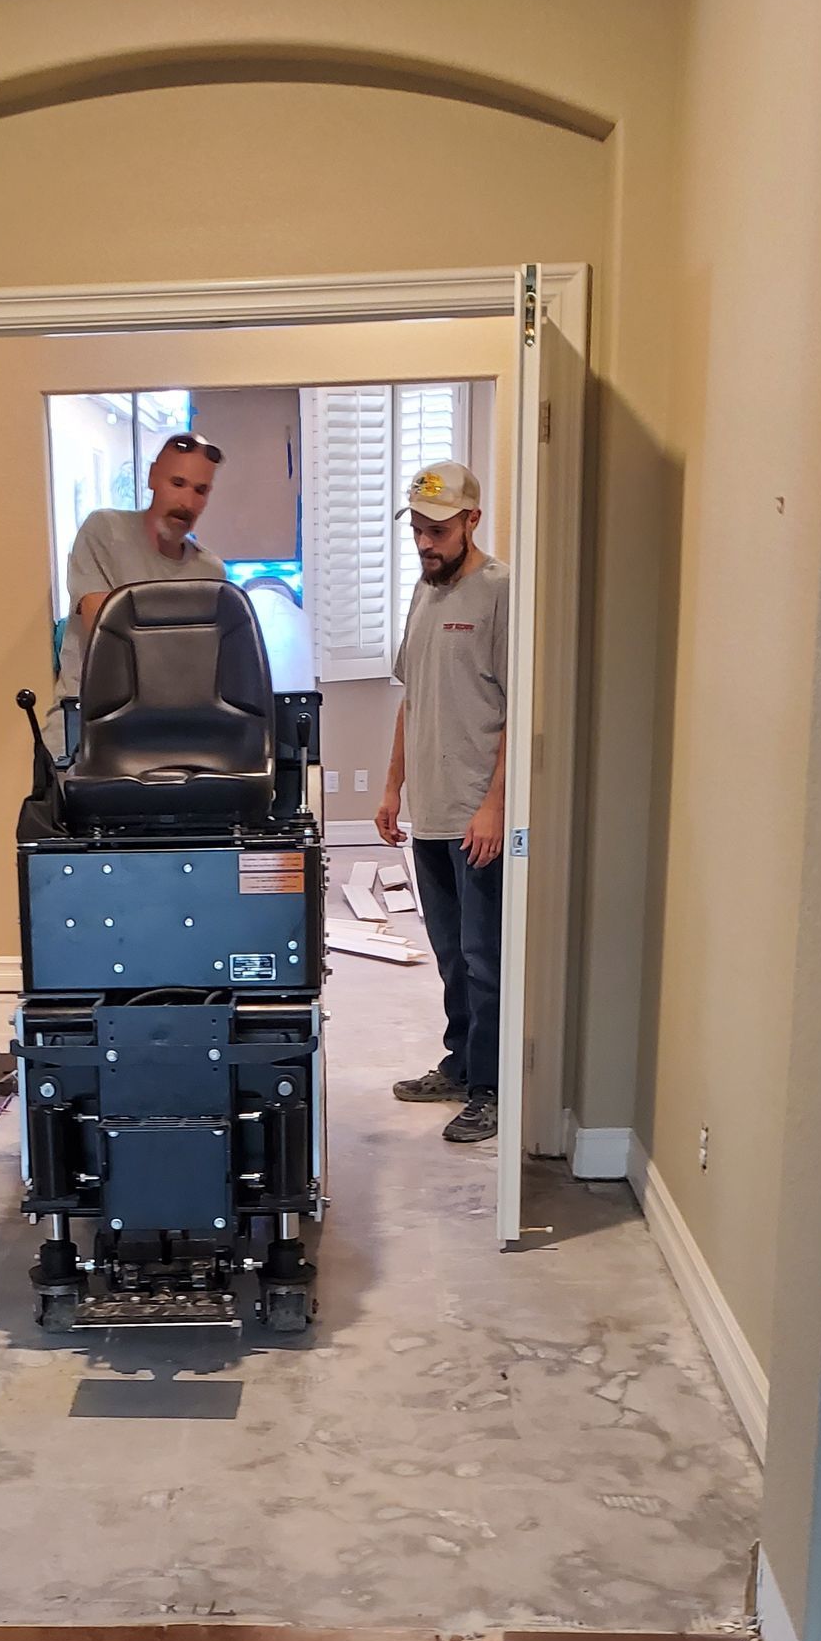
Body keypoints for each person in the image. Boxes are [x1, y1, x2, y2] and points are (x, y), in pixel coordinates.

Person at [374, 461, 510, 1147]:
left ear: (472, 521)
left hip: (475, 817)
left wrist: (495, 806)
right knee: (450, 953)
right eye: (419, 530)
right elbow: (412, 698)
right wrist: (393, 787)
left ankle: (490, 1090)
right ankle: (460, 1065)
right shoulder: (423, 594)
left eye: (439, 530)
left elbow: (521, 710)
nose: (427, 543)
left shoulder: (502, 591)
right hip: (429, 811)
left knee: (486, 957)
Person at [48, 432, 228, 752]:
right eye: (177, 483)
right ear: (152, 478)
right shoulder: (103, 531)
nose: (187, 502)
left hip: (168, 732)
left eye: (200, 490)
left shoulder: (211, 572)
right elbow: (110, 639)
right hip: (86, 730)